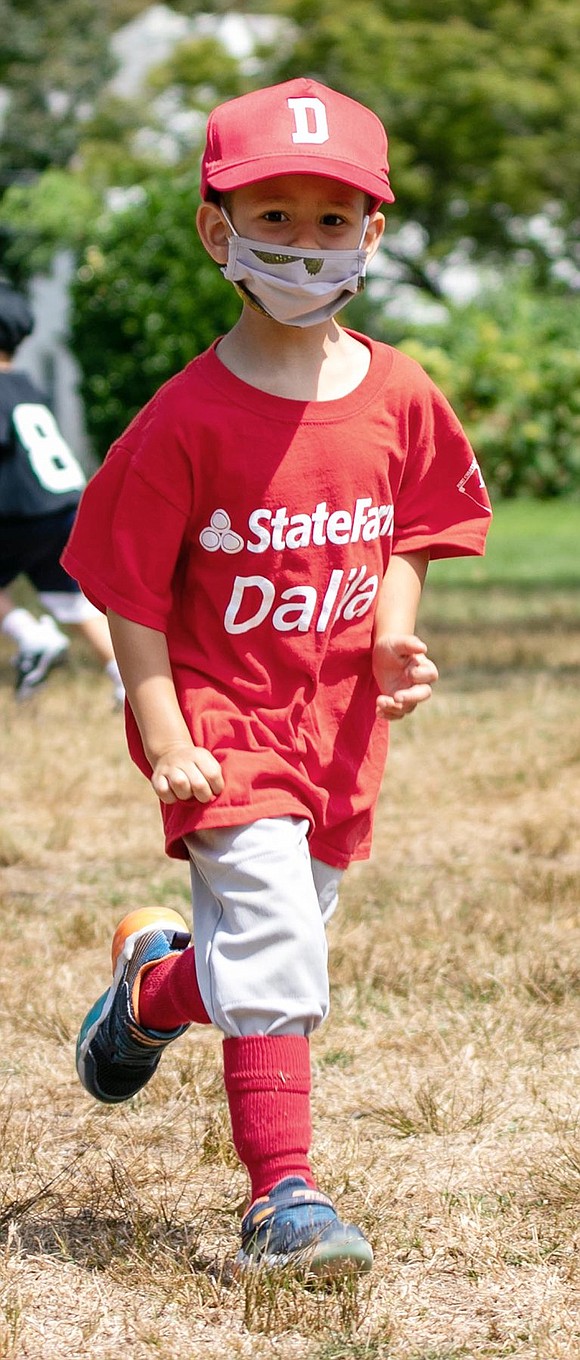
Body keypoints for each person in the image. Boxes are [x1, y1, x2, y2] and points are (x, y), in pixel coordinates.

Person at [62, 78, 492, 1276]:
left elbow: (412, 524)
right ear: (220, 231)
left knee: (276, 936)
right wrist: (160, 727)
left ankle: (152, 992)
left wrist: (392, 631)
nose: (305, 245)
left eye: (331, 220)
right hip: (218, 714)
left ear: (373, 233)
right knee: (278, 951)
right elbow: (127, 588)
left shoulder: (400, 393)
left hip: (336, 722)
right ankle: (284, 1199)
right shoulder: (184, 419)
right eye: (276, 217)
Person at [0, 280, 124, 703]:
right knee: (70, 601)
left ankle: (31, 636)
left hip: (18, 513)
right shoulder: (26, 385)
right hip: (65, 507)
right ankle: (124, 677)